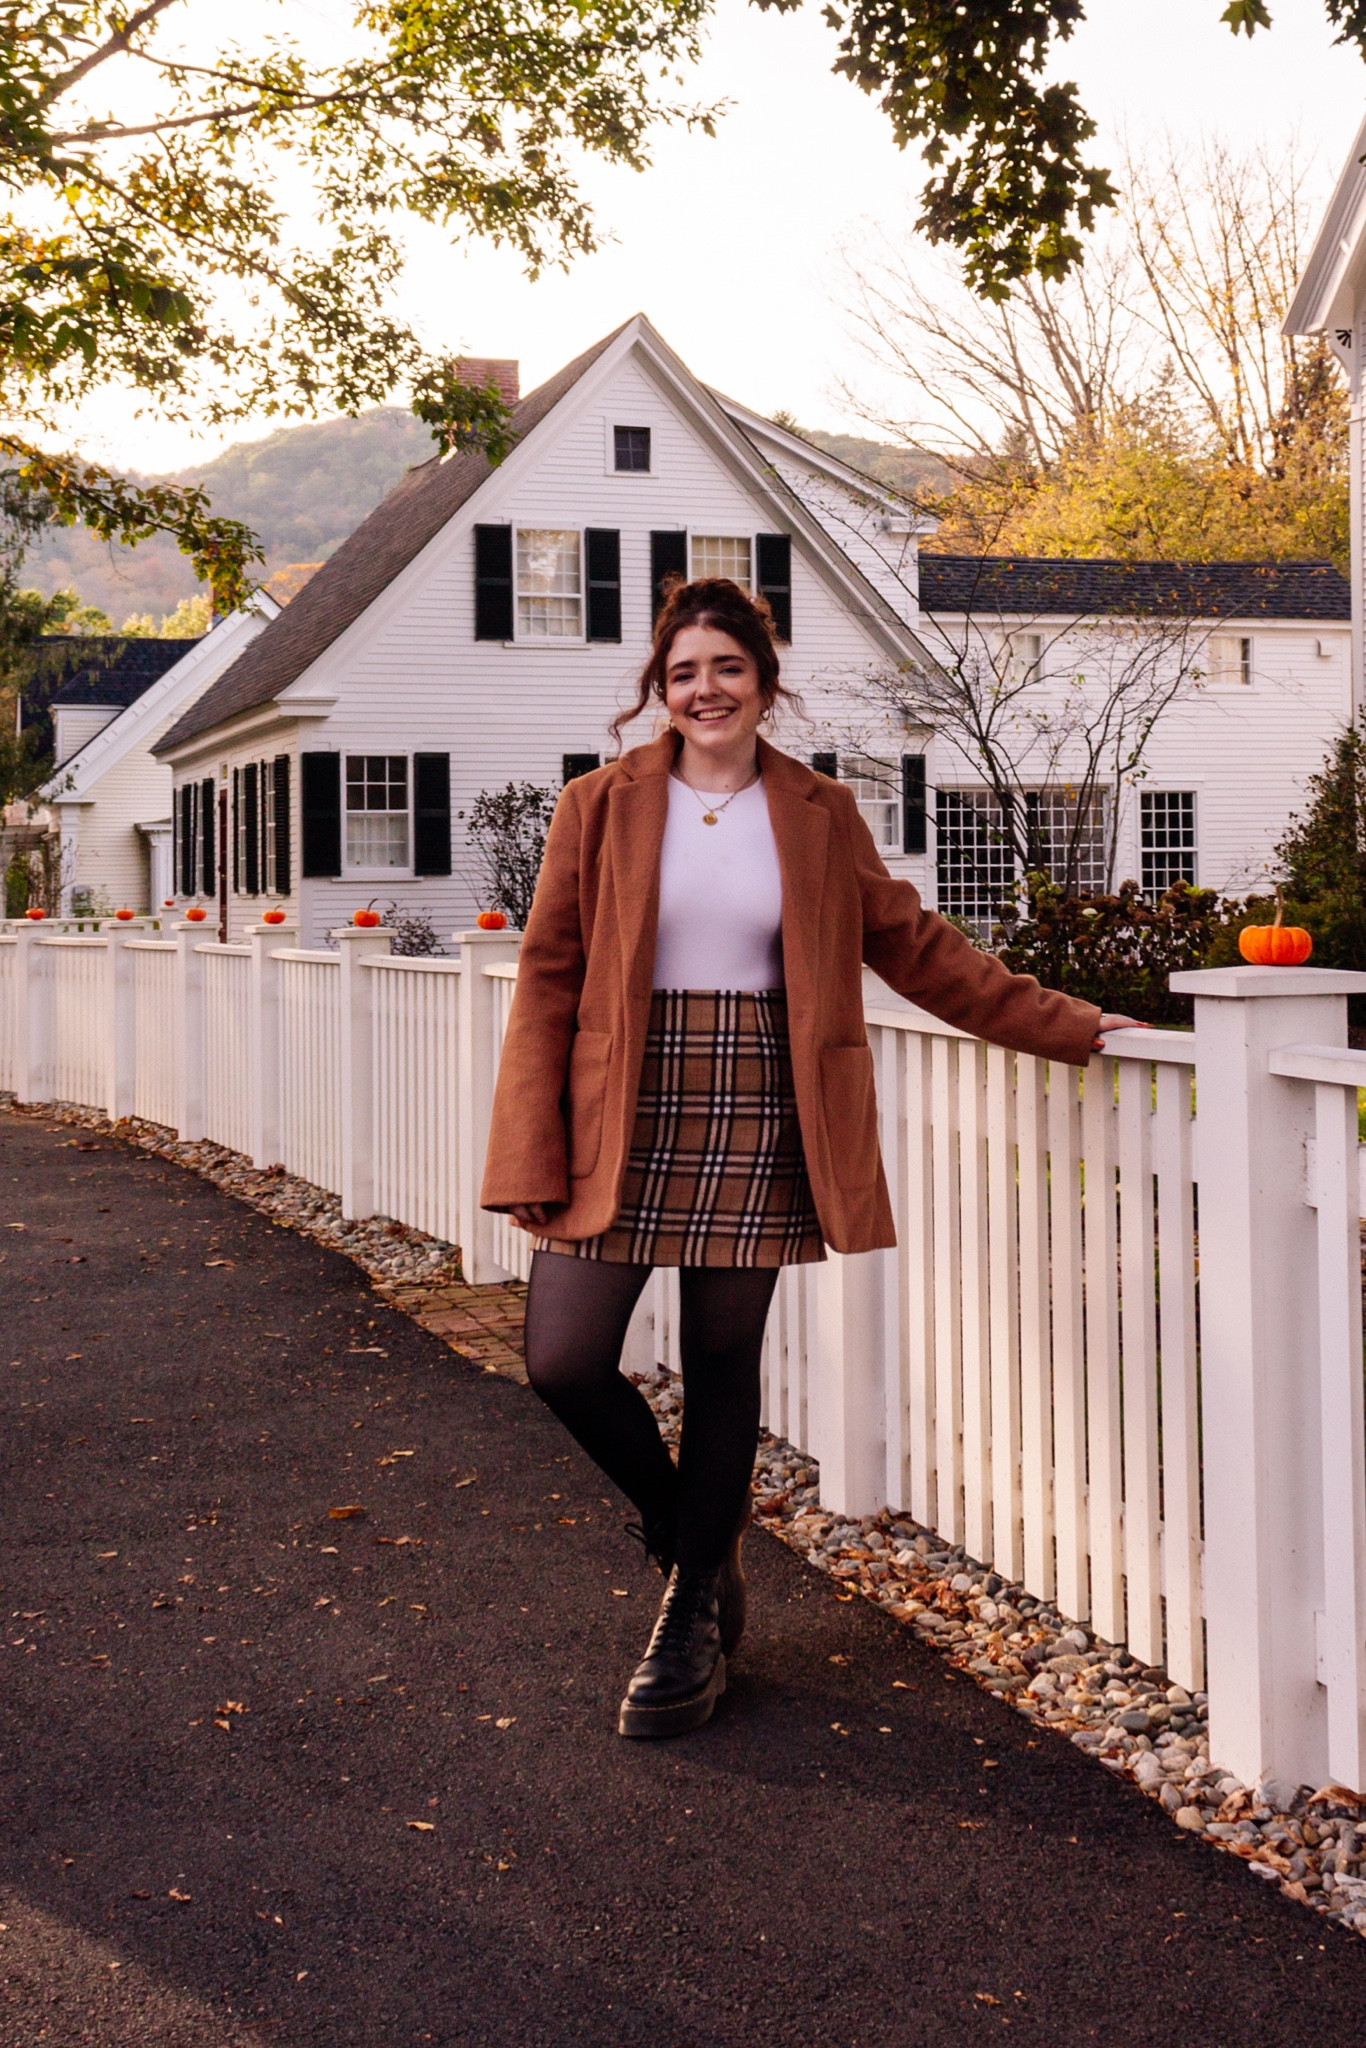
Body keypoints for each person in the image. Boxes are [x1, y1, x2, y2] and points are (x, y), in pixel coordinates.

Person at [481, 577, 1133, 1740]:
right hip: (623, 1099)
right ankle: (696, 1539)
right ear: (659, 690)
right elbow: (546, 978)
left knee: (725, 1364)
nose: (705, 689)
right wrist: (531, 1142)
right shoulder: (598, 804)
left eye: (725, 667)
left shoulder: (820, 812)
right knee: (564, 1359)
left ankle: (687, 1621)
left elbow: (915, 947)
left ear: (763, 682)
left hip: (762, 1096)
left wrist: (1070, 1022)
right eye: (683, 672)